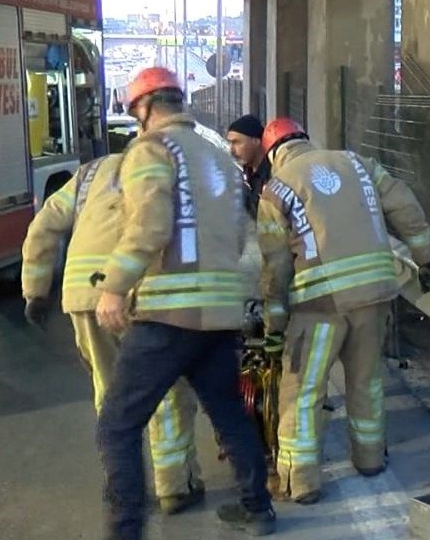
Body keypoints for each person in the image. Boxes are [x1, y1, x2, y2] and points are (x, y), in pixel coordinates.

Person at [93, 66, 276, 538]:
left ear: (145, 108)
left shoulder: (151, 150)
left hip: (167, 314)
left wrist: (114, 286)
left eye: (135, 110)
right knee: (228, 413)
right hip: (220, 314)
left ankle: (125, 528)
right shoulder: (219, 158)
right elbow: (238, 236)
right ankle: (258, 510)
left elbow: (150, 226)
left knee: (117, 424)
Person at [255, 117, 430, 505]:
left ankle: (302, 480)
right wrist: (427, 258)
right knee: (366, 380)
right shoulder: (357, 163)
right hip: (374, 295)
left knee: (304, 389)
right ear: (306, 139)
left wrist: (274, 325)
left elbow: (275, 269)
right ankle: (370, 458)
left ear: (273, 153)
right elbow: (404, 203)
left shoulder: (275, 190)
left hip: (319, 305)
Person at [19, 153, 206, 516]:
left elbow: (42, 226)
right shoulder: (167, 169)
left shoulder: (87, 175)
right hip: (138, 292)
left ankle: (120, 486)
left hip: (82, 294)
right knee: (165, 388)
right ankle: (174, 487)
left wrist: (35, 290)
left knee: (110, 392)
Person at [226, 114, 271, 217]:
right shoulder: (245, 174)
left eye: (236, 142)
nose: (231, 150)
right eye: (230, 143)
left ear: (256, 141)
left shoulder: (273, 175)